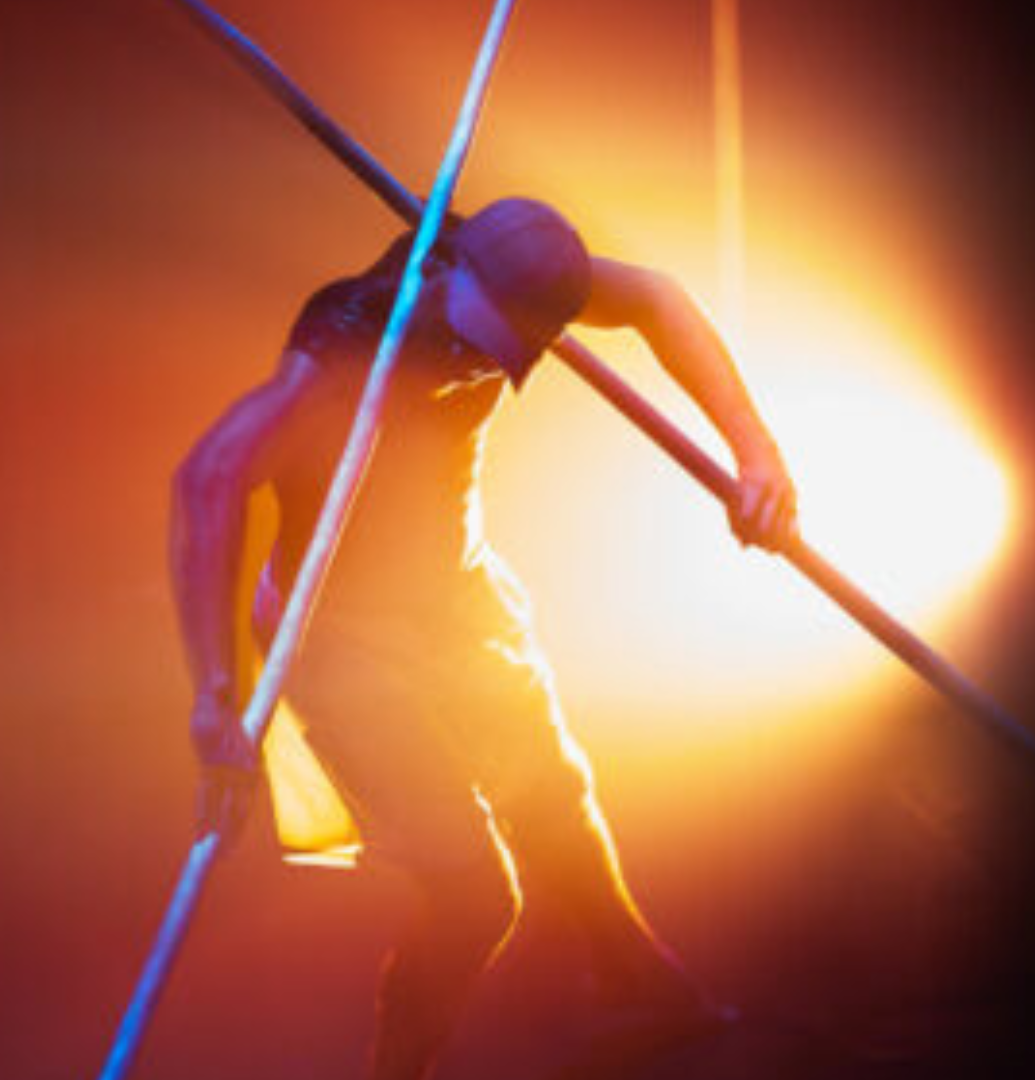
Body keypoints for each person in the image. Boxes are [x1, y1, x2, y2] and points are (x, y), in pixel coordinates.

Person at [170, 197, 797, 1080]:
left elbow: (657, 298)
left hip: (456, 595)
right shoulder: (345, 348)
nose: (494, 364)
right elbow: (209, 479)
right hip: (338, 636)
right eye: (487, 338)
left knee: (553, 793)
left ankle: (641, 991)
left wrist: (756, 451)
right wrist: (214, 697)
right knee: (474, 896)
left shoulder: (525, 265)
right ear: (453, 277)